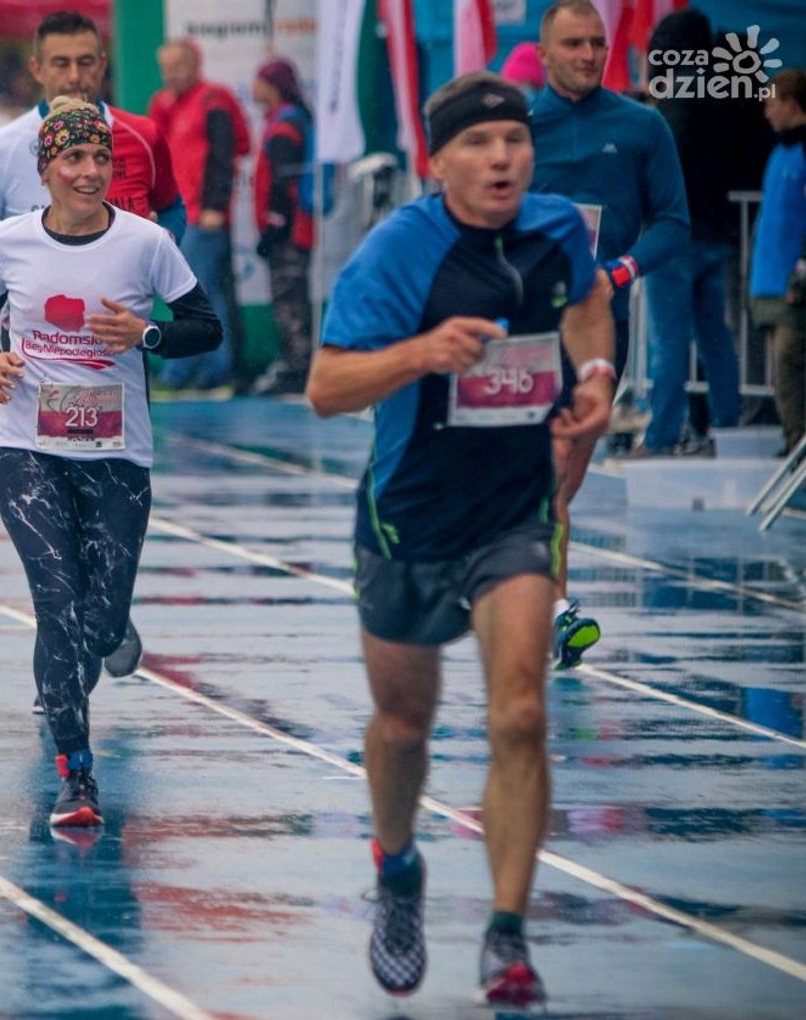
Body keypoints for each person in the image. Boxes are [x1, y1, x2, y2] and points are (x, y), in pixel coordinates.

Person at [307, 72, 614, 1008]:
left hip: (514, 511)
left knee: (520, 713)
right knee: (405, 727)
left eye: (514, 141)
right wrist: (422, 353)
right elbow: (326, 387)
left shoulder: (557, 228)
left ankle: (508, 934)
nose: (501, 159)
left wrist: (597, 377)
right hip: (409, 517)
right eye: (478, 145)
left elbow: (586, 299)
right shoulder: (399, 252)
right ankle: (398, 868)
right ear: (438, 162)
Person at [0, 97, 219, 828]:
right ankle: (76, 774)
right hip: (24, 447)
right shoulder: (6, 242)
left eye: (101, 157)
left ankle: (112, 626)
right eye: (74, 158)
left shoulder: (146, 243)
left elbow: (206, 327)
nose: (90, 171)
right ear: (46, 170)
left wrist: (146, 334)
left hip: (116, 455)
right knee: (56, 602)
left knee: (97, 625)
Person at [530, 0, 688, 667]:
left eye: (597, 42)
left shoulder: (642, 125)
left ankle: (535, 597)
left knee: (562, 480)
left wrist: (620, 271)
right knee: (546, 474)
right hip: (524, 326)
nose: (590, 54)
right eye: (574, 43)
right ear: (545, 53)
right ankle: (556, 614)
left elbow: (674, 222)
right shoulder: (517, 128)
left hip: (599, 326)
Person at [0, 9, 185, 272]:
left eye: (85, 62)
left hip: (126, 300)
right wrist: (24, 282)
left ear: (102, 65)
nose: (74, 76)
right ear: (37, 69)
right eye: (61, 63)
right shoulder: (2, 146)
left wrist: (162, 244)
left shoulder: (144, 135)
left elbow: (172, 209)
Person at [631, 9, 741, 457]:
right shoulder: (724, 90)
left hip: (674, 234)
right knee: (715, 336)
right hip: (718, 229)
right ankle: (729, 429)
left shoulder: (675, 95)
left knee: (669, 340)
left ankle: (661, 436)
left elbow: (663, 163)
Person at [149, 37, 249, 392]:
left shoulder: (212, 101)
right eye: (166, 69)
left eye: (178, 67)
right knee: (204, 292)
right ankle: (209, 372)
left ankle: (192, 373)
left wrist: (214, 206)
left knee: (196, 293)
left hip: (202, 215)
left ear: (196, 65)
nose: (171, 75)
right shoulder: (168, 104)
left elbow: (224, 155)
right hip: (180, 213)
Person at [250, 56, 320, 396]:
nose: (253, 88)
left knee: (289, 298)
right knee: (291, 296)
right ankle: (297, 363)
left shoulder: (285, 125)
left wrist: (274, 228)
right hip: (293, 228)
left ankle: (299, 367)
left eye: (260, 81)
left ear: (273, 86)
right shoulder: (287, 119)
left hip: (290, 231)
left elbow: (283, 181)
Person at [752, 69, 806, 457]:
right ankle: (794, 445)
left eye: (772, 104)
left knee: (790, 367)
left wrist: (800, 273)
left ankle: (798, 450)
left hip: (792, 285)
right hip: (771, 282)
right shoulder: (778, 153)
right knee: (783, 372)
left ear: (792, 104)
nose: (767, 113)